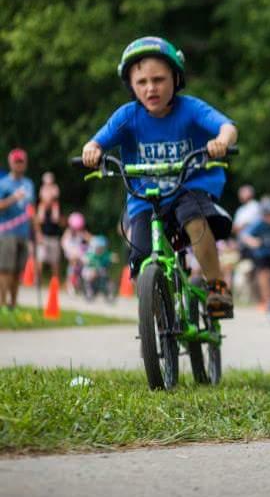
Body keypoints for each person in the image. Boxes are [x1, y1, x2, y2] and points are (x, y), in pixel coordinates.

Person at [81, 36, 238, 318]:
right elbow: (96, 142)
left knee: (195, 221)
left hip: (187, 189)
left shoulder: (190, 109)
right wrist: (91, 150)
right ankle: (159, 315)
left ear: (175, 78)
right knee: (139, 255)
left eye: (159, 79)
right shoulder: (128, 116)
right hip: (145, 197)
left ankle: (217, 287)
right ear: (131, 85)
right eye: (141, 82)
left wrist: (221, 142)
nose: (151, 88)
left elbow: (226, 126)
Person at [0, 149, 35, 310]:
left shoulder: (29, 184)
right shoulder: (4, 183)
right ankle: (1, 303)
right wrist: (14, 198)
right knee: (5, 269)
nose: (19, 164)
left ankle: (12, 305)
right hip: (7, 233)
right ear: (11, 163)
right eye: (16, 161)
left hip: (23, 232)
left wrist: (37, 233)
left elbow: (31, 209)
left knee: (17, 271)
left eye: (21, 161)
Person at [34, 171, 63, 287]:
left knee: (55, 261)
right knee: (40, 259)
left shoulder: (57, 207)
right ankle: (38, 281)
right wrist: (39, 234)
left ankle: (55, 282)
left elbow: (60, 221)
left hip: (54, 236)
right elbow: (37, 222)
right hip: (44, 236)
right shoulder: (41, 207)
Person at [61, 212, 90, 295]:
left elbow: (89, 238)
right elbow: (64, 243)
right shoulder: (68, 233)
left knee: (84, 265)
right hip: (71, 253)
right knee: (72, 267)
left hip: (79, 253)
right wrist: (69, 252)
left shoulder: (81, 232)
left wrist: (92, 240)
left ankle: (81, 284)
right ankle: (70, 284)